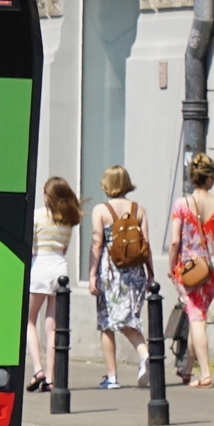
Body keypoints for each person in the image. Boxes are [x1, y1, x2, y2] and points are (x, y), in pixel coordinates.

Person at [166, 153, 214, 388]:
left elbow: (175, 241)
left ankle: (205, 372)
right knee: (198, 314)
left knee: (196, 318)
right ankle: (187, 369)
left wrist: (170, 265)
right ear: (208, 179)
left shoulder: (181, 204)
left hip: (189, 270)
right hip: (213, 269)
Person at [88, 165, 153, 390]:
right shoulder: (139, 210)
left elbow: (97, 244)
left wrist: (92, 274)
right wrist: (151, 274)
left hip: (111, 273)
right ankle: (145, 357)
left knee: (107, 323)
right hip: (135, 273)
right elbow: (146, 245)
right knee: (128, 320)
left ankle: (114, 375)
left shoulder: (101, 210)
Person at [26, 176, 83, 391]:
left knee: (29, 321)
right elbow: (65, 249)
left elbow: (31, 246)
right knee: (52, 327)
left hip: (39, 266)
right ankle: (50, 378)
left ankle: (37, 369)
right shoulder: (68, 220)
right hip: (60, 270)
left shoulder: (37, 216)